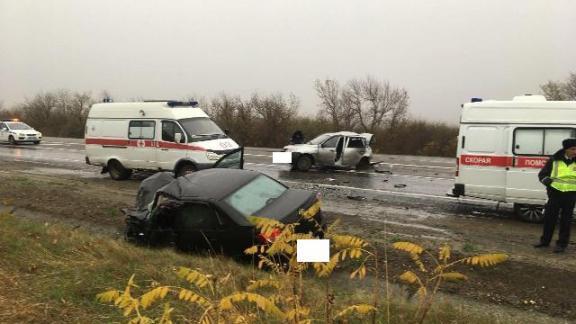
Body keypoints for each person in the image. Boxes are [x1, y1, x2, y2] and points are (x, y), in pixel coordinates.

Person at [535, 138, 576, 253]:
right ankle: (544, 241)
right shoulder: (554, 160)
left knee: (566, 221)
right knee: (549, 219)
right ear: (566, 149)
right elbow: (542, 174)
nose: (575, 151)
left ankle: (561, 244)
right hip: (555, 194)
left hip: (571, 196)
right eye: (573, 149)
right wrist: (547, 182)